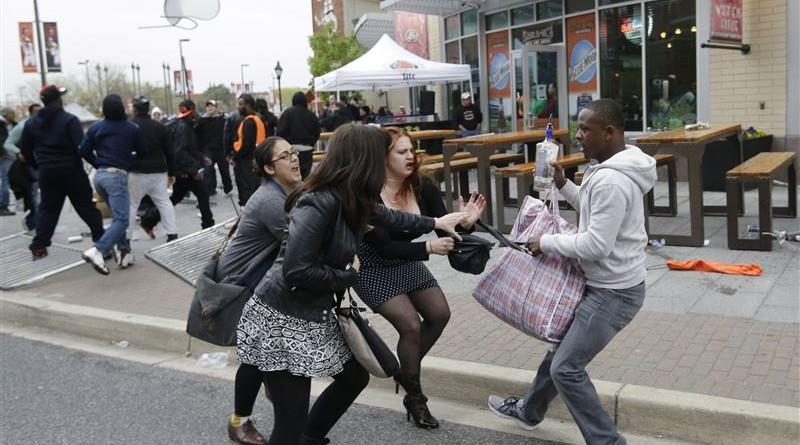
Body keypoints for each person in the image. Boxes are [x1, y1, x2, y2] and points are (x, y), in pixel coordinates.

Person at [235, 124, 467, 445]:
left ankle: (309, 439)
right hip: (282, 318)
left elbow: (391, 217)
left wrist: (436, 222)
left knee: (353, 378)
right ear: (364, 160)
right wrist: (349, 273)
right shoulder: (318, 202)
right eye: (378, 157)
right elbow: (296, 271)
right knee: (290, 422)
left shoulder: (351, 195)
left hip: (313, 313)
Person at [487, 99, 656, 445]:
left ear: (608, 133)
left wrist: (544, 242)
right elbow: (593, 211)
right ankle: (529, 411)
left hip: (614, 294)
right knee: (559, 354)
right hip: (607, 285)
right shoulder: (611, 169)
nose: (577, 136)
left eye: (584, 129)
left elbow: (595, 245)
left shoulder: (611, 180)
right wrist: (564, 185)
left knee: (566, 367)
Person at [354, 127, 486, 429]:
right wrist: (427, 248)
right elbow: (385, 247)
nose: (410, 156)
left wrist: (466, 223)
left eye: (411, 150)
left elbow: (444, 229)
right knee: (411, 325)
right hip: (374, 266)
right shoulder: (368, 192)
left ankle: (405, 371)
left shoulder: (423, 186)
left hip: (408, 260)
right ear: (383, 158)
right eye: (401, 152)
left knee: (440, 313)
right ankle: (416, 398)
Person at [220, 137, 302, 445]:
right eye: (285, 156)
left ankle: (282, 397)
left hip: (265, 273)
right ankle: (238, 421)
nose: (294, 159)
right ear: (269, 168)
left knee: (270, 350)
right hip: (243, 281)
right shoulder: (270, 200)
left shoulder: (290, 189)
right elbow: (304, 242)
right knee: (258, 353)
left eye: (293, 153)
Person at [20, 86, 105, 260]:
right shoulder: (69, 120)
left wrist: (37, 165)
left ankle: (39, 246)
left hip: (47, 172)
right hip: (71, 170)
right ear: (59, 100)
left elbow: (24, 149)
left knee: (48, 209)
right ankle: (102, 243)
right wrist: (97, 164)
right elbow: (81, 147)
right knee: (86, 207)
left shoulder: (31, 123)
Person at [78, 94, 145, 275]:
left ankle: (124, 253)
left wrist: (98, 162)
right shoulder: (132, 128)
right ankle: (98, 250)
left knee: (117, 217)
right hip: (117, 176)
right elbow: (142, 152)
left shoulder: (96, 127)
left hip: (99, 177)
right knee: (122, 220)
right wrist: (127, 161)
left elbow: (82, 150)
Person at [128, 96, 178, 242]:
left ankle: (126, 239)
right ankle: (172, 234)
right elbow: (170, 152)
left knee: (132, 204)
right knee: (164, 202)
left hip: (136, 172)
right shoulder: (159, 127)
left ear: (135, 109)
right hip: (159, 172)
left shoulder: (130, 126)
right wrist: (172, 173)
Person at [170, 99, 215, 230]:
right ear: (193, 110)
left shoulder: (183, 125)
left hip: (182, 170)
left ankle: (151, 219)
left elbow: (189, 149)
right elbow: (181, 152)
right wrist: (193, 171)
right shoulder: (184, 127)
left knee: (176, 197)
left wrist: (202, 158)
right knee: (202, 194)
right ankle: (208, 224)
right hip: (185, 171)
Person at [5, 103, 41, 231]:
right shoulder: (23, 126)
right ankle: (33, 224)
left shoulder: (45, 124)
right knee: (32, 196)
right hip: (30, 166)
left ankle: (40, 223)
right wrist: (18, 152)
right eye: (36, 111)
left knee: (43, 196)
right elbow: (8, 144)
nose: (39, 113)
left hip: (44, 164)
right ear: (31, 113)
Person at [277, 91, 321, 179]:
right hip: (307, 150)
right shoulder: (311, 115)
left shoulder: (287, 113)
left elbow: (280, 132)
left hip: (291, 150)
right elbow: (317, 133)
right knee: (305, 178)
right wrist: (311, 143)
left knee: (292, 178)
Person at [232, 94, 265, 206]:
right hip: (255, 158)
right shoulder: (257, 119)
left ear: (248, 105)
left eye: (241, 104)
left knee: (248, 192)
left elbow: (246, 145)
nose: (238, 106)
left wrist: (236, 157)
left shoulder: (249, 122)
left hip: (247, 161)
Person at [196, 99, 232, 196]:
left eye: (212, 106)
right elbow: (197, 135)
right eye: (208, 106)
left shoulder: (223, 119)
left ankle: (228, 188)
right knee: (208, 171)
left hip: (221, 149)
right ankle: (210, 190)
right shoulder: (202, 121)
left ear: (216, 108)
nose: (210, 108)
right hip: (208, 149)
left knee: (224, 171)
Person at [0, 107, 19, 216]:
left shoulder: (14, 125)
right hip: (5, 156)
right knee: (6, 181)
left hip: (13, 156)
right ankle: (3, 205)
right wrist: (5, 154)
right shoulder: (2, 125)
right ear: (6, 114)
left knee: (10, 180)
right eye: (12, 113)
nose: (13, 115)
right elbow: (2, 142)